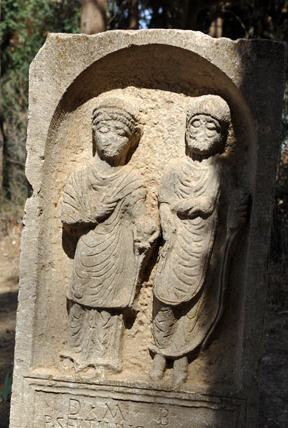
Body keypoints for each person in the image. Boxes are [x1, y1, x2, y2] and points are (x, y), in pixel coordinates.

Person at [150, 94, 249, 386]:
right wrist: (169, 219)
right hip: (176, 245)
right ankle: (159, 352)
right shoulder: (175, 169)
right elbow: (164, 202)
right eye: (194, 126)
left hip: (204, 250)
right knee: (165, 300)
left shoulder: (222, 172)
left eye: (210, 128)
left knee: (194, 306)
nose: (200, 133)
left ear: (221, 136)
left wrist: (236, 218)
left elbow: (230, 207)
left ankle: (181, 358)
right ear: (185, 130)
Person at [61, 97, 157, 372]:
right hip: (88, 248)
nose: (112, 139)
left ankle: (104, 358)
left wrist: (147, 228)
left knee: (108, 309)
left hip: (118, 252)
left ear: (131, 140)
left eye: (121, 133)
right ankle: (74, 352)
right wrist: (93, 214)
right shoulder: (79, 176)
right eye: (105, 130)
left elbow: (141, 218)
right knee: (79, 301)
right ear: (93, 133)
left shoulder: (132, 181)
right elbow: (68, 216)